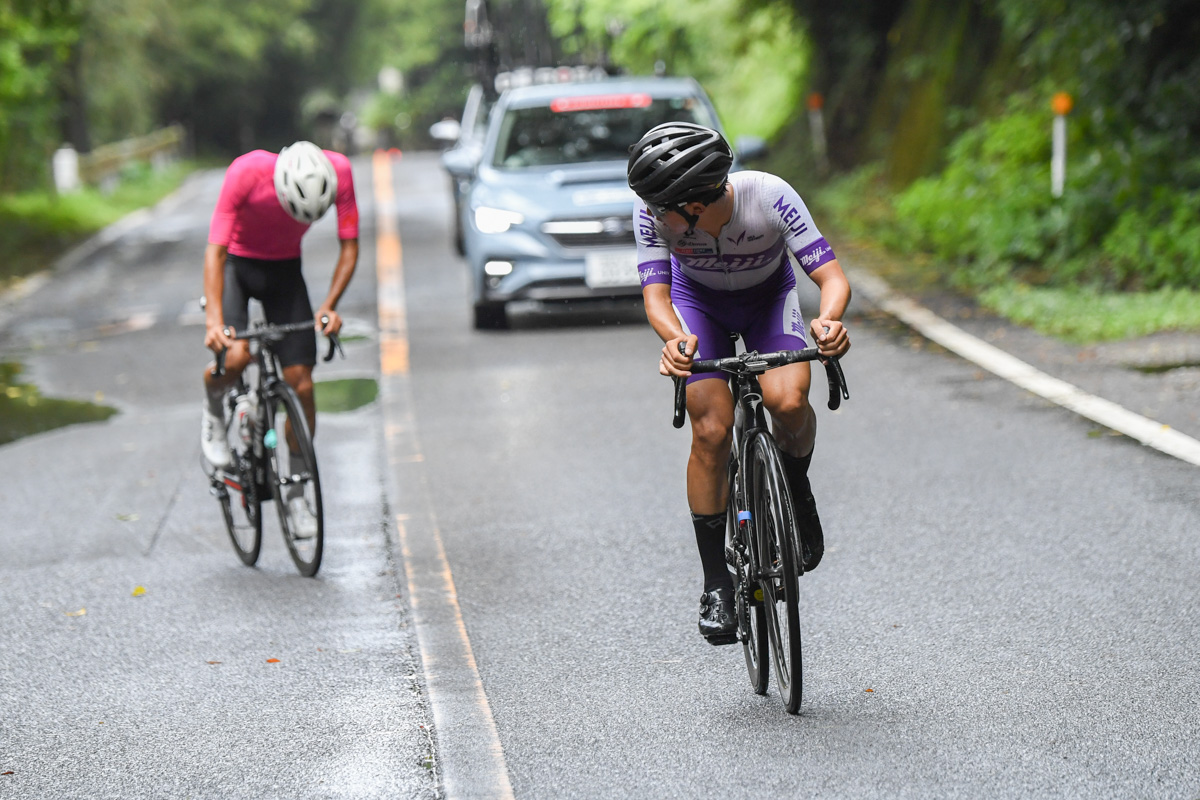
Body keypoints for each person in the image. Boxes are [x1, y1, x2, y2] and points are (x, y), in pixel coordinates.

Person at [627, 122, 851, 645]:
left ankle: (796, 489)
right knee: (711, 430)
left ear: (698, 203)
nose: (655, 216)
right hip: (697, 306)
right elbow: (658, 298)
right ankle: (716, 585)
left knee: (788, 399)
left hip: (769, 300)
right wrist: (676, 341)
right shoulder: (652, 211)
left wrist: (830, 320)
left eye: (665, 209)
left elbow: (831, 278)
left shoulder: (769, 196)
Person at [200, 141, 359, 537]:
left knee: (302, 385)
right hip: (238, 265)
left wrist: (330, 306)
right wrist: (215, 323)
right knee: (235, 358)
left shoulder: (339, 172)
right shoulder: (246, 172)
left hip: (286, 270)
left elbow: (350, 246)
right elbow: (215, 253)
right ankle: (214, 412)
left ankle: (297, 496)